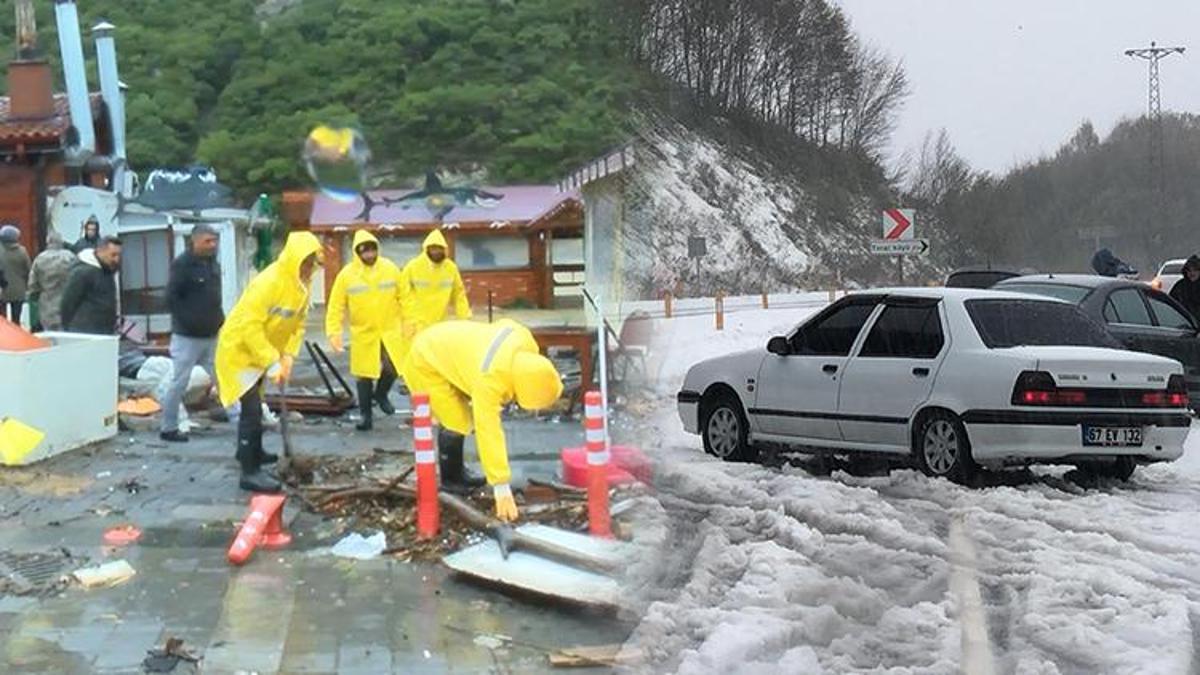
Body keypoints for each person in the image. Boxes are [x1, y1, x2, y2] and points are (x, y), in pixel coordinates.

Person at [402, 319, 563, 520]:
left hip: (448, 343)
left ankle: (458, 473)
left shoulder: (525, 343)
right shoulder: (490, 379)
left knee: (462, 417)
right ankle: (452, 481)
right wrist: (501, 486)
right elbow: (488, 430)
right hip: (426, 359)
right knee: (456, 420)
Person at [215, 231, 322, 492]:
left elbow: (297, 325)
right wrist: (271, 360)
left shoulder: (301, 287)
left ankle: (253, 451)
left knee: (257, 403)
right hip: (239, 353)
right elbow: (249, 326)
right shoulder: (269, 282)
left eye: (312, 263)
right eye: (305, 263)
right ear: (294, 259)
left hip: (263, 353)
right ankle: (249, 473)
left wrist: (287, 357)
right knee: (251, 409)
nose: (309, 269)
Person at [325, 230, 406, 431]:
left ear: (377, 249)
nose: (369, 256)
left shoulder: (390, 269)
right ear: (358, 253)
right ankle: (365, 416)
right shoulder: (347, 275)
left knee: (394, 366)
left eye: (372, 251)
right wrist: (334, 332)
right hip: (364, 332)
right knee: (364, 375)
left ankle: (381, 394)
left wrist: (410, 321)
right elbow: (336, 305)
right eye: (365, 252)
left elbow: (405, 296)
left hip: (390, 329)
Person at [159, 224, 225, 443]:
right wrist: (188, 321)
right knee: (179, 382)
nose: (212, 245)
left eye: (214, 241)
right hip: (187, 336)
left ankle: (240, 418)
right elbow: (171, 298)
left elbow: (215, 296)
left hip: (211, 334)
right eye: (208, 241)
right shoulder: (182, 265)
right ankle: (168, 428)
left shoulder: (212, 264)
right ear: (194, 241)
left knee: (224, 377)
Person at [398, 230, 471, 360]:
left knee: (437, 359)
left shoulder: (450, 268)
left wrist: (464, 319)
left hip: (439, 322)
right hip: (416, 324)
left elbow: (459, 295)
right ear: (426, 249)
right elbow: (404, 293)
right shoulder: (413, 266)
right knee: (417, 359)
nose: (436, 252)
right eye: (433, 248)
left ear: (445, 249)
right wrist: (412, 317)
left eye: (439, 248)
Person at [60, 236, 122, 334]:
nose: (117, 259)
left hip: (105, 332)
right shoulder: (82, 272)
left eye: (119, 255)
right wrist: (67, 328)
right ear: (101, 251)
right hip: (85, 333)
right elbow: (67, 303)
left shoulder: (108, 271)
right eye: (113, 255)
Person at [25, 230, 77, 332]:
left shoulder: (40, 259)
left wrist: (33, 295)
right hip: (68, 302)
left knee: (50, 334)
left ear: (48, 242)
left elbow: (33, 284)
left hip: (47, 303)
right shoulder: (71, 257)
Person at [0, 225, 31, 326]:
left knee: (2, 321)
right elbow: (28, 270)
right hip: (18, 290)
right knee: (16, 320)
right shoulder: (22, 251)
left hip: (2, 290)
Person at [1170, 254, 1200, 321]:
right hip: (1183, 323)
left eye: (1195, 270)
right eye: (1189, 270)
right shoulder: (1180, 286)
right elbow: (1171, 304)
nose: (1192, 273)